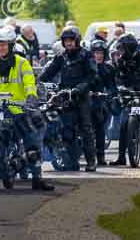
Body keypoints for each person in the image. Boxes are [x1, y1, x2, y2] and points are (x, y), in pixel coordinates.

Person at [0, 27, 53, 191]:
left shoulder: (22, 63)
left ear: (11, 46)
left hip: (18, 111)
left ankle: (37, 178)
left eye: (4, 45)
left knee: (32, 141)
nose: (1, 48)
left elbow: (29, 82)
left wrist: (31, 97)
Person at [39, 27, 98, 171]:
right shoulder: (61, 57)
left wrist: (80, 88)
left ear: (77, 41)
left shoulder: (86, 55)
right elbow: (48, 73)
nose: (68, 43)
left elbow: (92, 76)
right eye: (66, 41)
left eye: (71, 40)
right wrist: (37, 82)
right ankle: (72, 161)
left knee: (86, 129)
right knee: (67, 129)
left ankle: (91, 161)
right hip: (65, 97)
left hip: (81, 97)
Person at [110, 33, 140, 166]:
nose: (120, 51)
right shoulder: (122, 61)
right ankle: (121, 157)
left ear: (129, 47)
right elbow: (118, 77)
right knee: (123, 123)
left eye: (122, 48)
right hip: (131, 95)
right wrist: (121, 88)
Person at [89, 40, 117, 166]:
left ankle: (100, 157)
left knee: (100, 128)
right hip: (84, 100)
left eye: (101, 53)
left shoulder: (108, 68)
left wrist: (108, 94)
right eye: (96, 53)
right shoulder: (86, 67)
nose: (98, 55)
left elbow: (112, 86)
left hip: (100, 101)